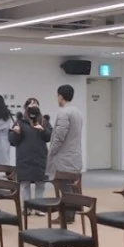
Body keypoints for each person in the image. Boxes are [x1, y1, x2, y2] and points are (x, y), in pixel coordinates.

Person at [46, 84, 83, 221]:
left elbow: (59, 136)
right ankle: (70, 213)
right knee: (70, 187)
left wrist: (51, 151)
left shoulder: (64, 113)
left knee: (65, 186)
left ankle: (67, 215)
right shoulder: (77, 112)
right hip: (74, 156)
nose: (57, 98)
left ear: (61, 96)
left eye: (57, 96)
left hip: (64, 157)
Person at [9, 97, 52, 206]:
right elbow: (12, 141)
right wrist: (16, 133)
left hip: (40, 157)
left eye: (36, 104)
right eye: (31, 104)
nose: (34, 106)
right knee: (25, 184)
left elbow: (49, 137)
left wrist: (42, 130)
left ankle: (39, 207)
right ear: (26, 107)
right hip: (24, 158)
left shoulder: (44, 121)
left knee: (40, 184)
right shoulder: (19, 122)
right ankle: (27, 207)